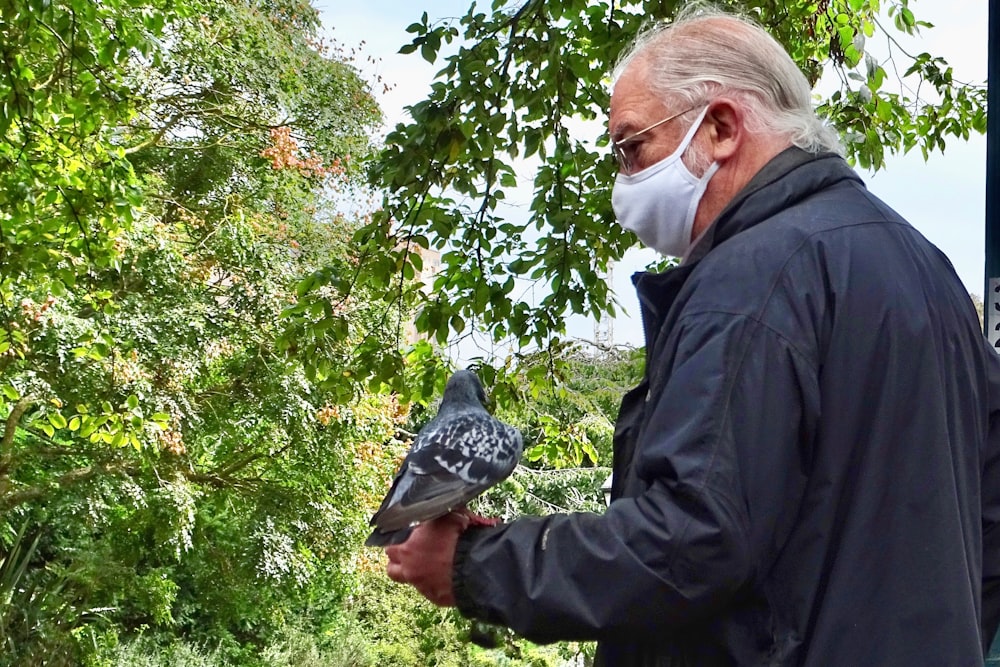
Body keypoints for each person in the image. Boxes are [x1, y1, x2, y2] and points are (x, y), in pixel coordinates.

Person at [383, 5, 1000, 665]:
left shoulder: (753, 279)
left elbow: (689, 540)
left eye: (631, 147)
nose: (623, 182)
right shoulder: (928, 270)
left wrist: (475, 563)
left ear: (722, 127)